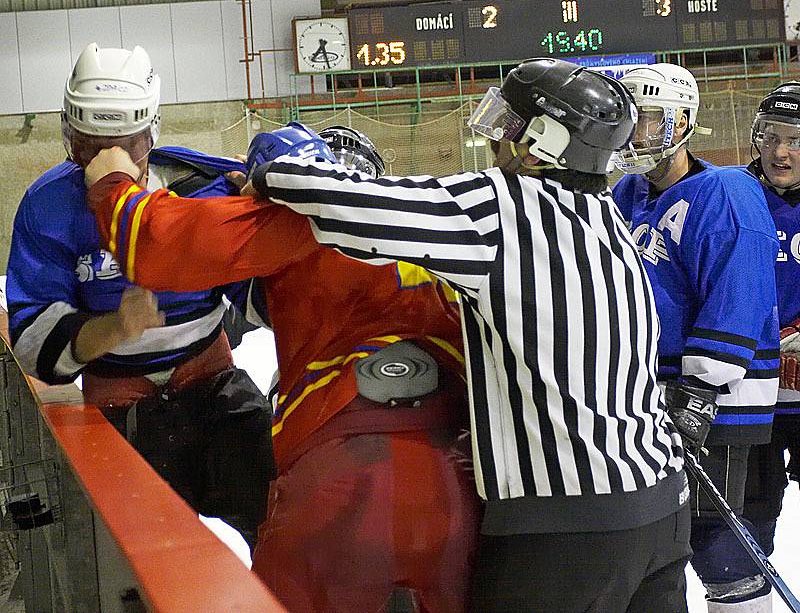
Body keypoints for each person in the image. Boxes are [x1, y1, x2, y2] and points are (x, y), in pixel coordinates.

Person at [85, 58, 694, 611]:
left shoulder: (497, 208)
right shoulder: (611, 221)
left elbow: (175, 242)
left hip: (544, 519)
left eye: (511, 125)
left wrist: (125, 180)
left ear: (542, 142)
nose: (497, 139)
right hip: (659, 505)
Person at [82, 123, 481, 612]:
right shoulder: (434, 212)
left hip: (342, 461)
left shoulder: (302, 221)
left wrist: (112, 185)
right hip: (463, 469)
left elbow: (159, 247)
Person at [5, 43, 274, 550]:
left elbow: (255, 289)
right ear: (68, 135)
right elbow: (32, 336)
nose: (107, 161)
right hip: (119, 404)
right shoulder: (49, 206)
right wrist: (114, 329)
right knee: (139, 553)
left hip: (211, 381)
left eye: (125, 145)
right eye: (88, 146)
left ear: (152, 133)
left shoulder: (199, 186)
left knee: (280, 503)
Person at [611, 63, 780, 612]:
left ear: (684, 121)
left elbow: (742, 289)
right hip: (645, 396)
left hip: (715, 398)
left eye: (651, 119)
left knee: (715, 540)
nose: (637, 132)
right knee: (657, 535)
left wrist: (703, 389)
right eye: (628, 118)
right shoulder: (624, 194)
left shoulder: (726, 190)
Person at [739, 82, 800, 611]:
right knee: (749, 521)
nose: (781, 152)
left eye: (796, 140)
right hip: (748, 396)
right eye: (772, 137)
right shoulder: (731, 196)